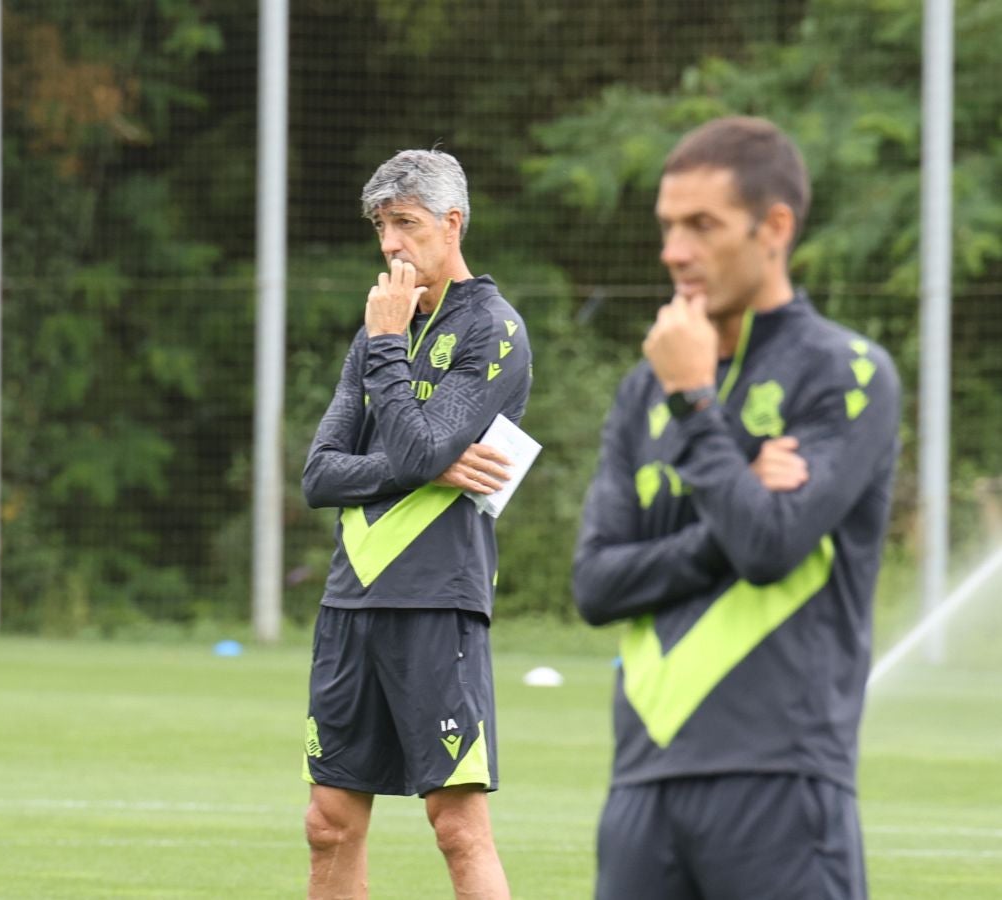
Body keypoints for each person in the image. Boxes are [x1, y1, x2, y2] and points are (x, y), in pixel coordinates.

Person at [572, 116, 900, 899]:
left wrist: (694, 404)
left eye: (700, 226)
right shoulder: (639, 387)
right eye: (667, 227)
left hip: (780, 779)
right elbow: (593, 585)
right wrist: (731, 487)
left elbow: (768, 546)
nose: (673, 251)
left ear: (773, 228)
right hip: (641, 786)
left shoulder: (845, 371)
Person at [301, 148, 531, 900]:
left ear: (451, 223)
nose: (390, 244)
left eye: (405, 224)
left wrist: (390, 351)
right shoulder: (376, 331)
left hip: (437, 602)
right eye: (381, 227)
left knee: (456, 828)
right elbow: (319, 475)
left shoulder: (492, 330)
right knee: (328, 822)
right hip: (351, 602)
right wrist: (423, 465)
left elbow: (417, 444)